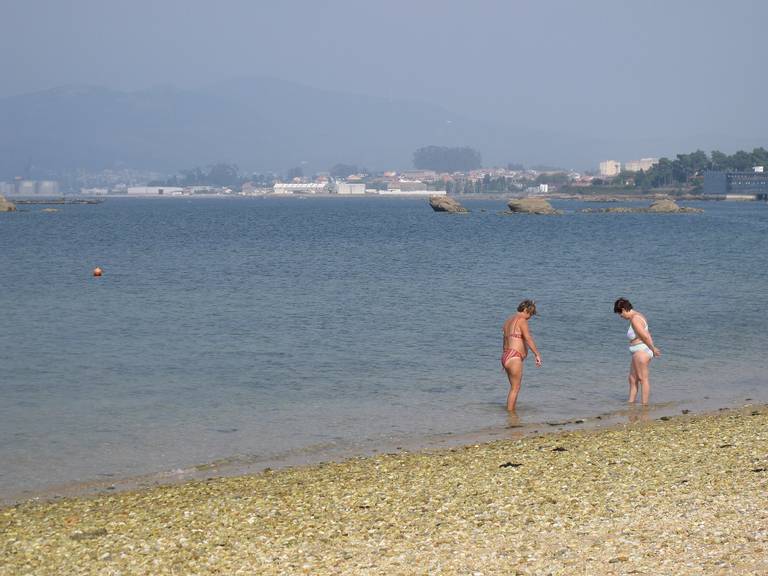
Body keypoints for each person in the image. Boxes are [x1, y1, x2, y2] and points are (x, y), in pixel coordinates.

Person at [613, 297, 661, 405]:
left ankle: (644, 405)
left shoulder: (635, 319)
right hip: (638, 351)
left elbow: (645, 336)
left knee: (642, 378)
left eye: (620, 313)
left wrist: (653, 349)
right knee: (632, 378)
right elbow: (647, 334)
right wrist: (652, 348)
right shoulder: (638, 316)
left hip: (641, 351)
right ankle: (631, 403)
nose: (620, 316)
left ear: (624, 309)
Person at [501, 299, 542, 412]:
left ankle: (510, 415)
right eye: (530, 313)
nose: (529, 317)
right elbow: (528, 338)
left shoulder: (507, 321)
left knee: (513, 388)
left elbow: (504, 342)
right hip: (514, 357)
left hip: (506, 355)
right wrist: (537, 354)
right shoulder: (522, 320)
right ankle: (511, 415)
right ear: (525, 310)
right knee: (515, 388)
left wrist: (505, 360)